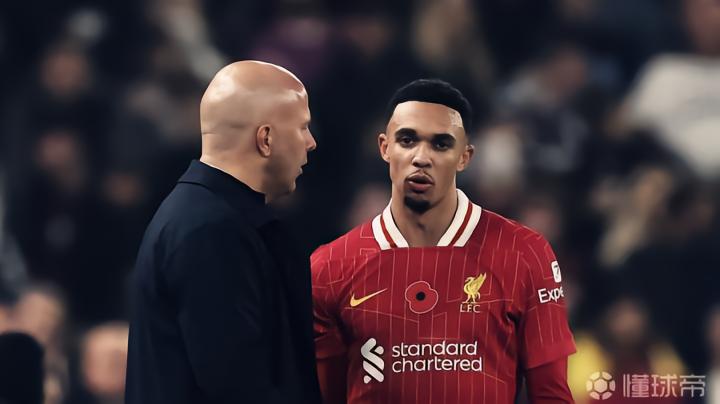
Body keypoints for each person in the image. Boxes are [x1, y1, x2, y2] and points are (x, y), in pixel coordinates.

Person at [311, 79, 576, 403]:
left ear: (465, 157)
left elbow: (551, 395)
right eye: (407, 140)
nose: (421, 157)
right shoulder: (330, 267)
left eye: (440, 144)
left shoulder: (524, 252)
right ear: (384, 147)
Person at [126, 61, 321, 404]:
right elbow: (237, 387)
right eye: (303, 127)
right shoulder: (210, 230)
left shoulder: (204, 216)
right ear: (265, 139)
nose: (311, 142)